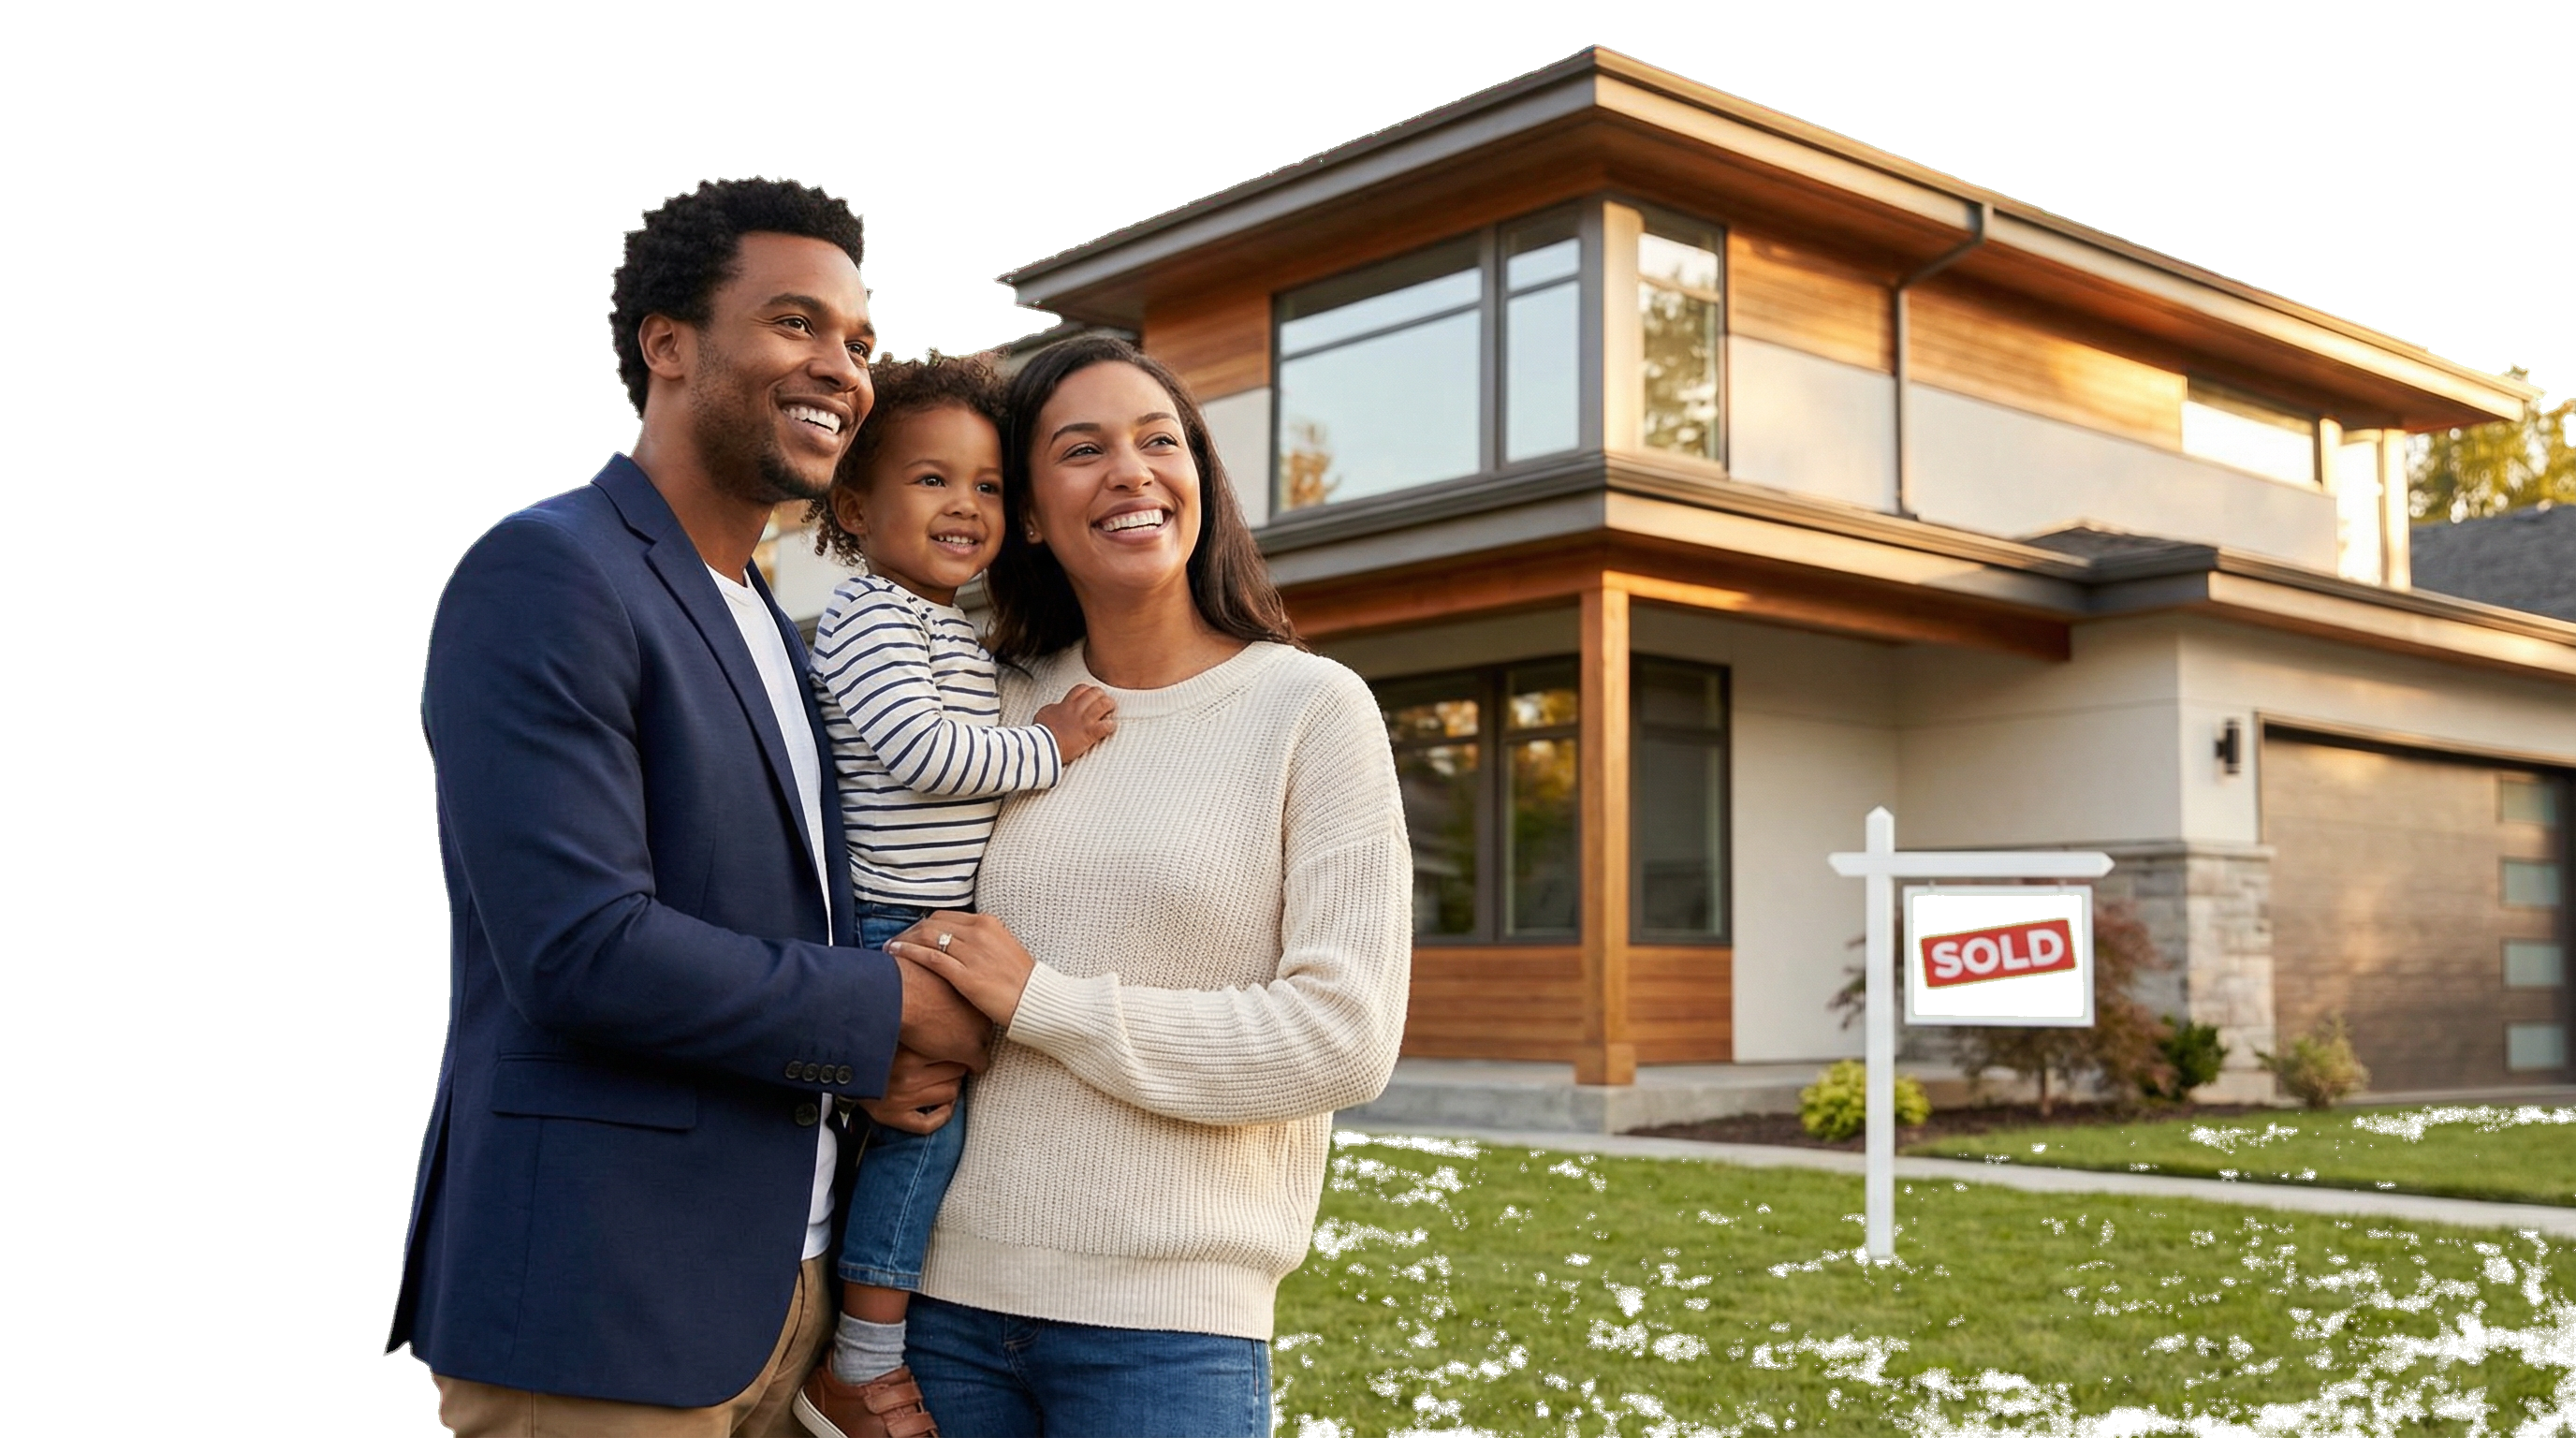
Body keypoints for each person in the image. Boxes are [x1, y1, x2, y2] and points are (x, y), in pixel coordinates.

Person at [387, 171, 989, 1438]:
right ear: (667, 343)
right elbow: (580, 949)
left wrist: (860, 1077)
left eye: (858, 341)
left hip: (783, 1292)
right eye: (795, 322)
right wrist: (888, 1010)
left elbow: (772, 918)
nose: (842, 369)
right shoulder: (546, 573)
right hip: (602, 1304)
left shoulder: (776, 618)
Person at [882, 335, 1414, 1437]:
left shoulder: (1311, 710)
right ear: (1029, 514)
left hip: (1167, 1331)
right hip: (935, 1307)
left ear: (1197, 478)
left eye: (1158, 442)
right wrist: (873, 1059)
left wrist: (1045, 1002)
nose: (1130, 472)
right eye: (1082, 451)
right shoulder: (985, 706)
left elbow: (1342, 1038)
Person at [789, 344, 1117, 1438]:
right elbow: (924, 753)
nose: (965, 505)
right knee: (920, 1133)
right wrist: (1050, 744)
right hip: (892, 922)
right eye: (932, 478)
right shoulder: (869, 614)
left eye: (986, 485)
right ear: (853, 505)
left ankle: (856, 1335)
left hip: (927, 921)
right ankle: (861, 1361)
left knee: (912, 1130)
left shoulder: (946, 626)